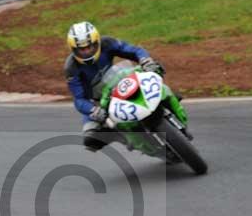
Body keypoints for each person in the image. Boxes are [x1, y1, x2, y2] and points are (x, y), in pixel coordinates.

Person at [65, 21, 189, 151]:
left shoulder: (107, 43)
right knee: (90, 138)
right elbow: (79, 99)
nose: (86, 52)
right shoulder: (71, 67)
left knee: (156, 78)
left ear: (97, 42)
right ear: (73, 49)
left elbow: (134, 50)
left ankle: (172, 109)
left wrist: (145, 60)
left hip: (118, 83)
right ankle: (121, 138)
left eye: (90, 47)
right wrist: (93, 110)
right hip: (98, 102)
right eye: (81, 49)